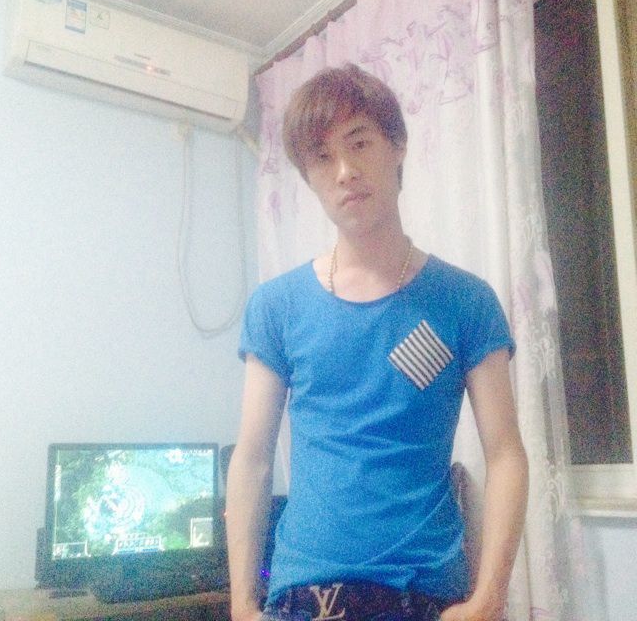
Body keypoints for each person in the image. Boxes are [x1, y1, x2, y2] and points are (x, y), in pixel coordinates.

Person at [226, 63, 528, 621]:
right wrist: (242, 605)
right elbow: (252, 458)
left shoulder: (465, 301)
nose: (345, 171)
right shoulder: (276, 306)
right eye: (322, 157)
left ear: (398, 147)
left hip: (425, 593)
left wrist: (490, 597)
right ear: (308, 177)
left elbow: (506, 452)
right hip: (304, 595)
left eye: (359, 142)